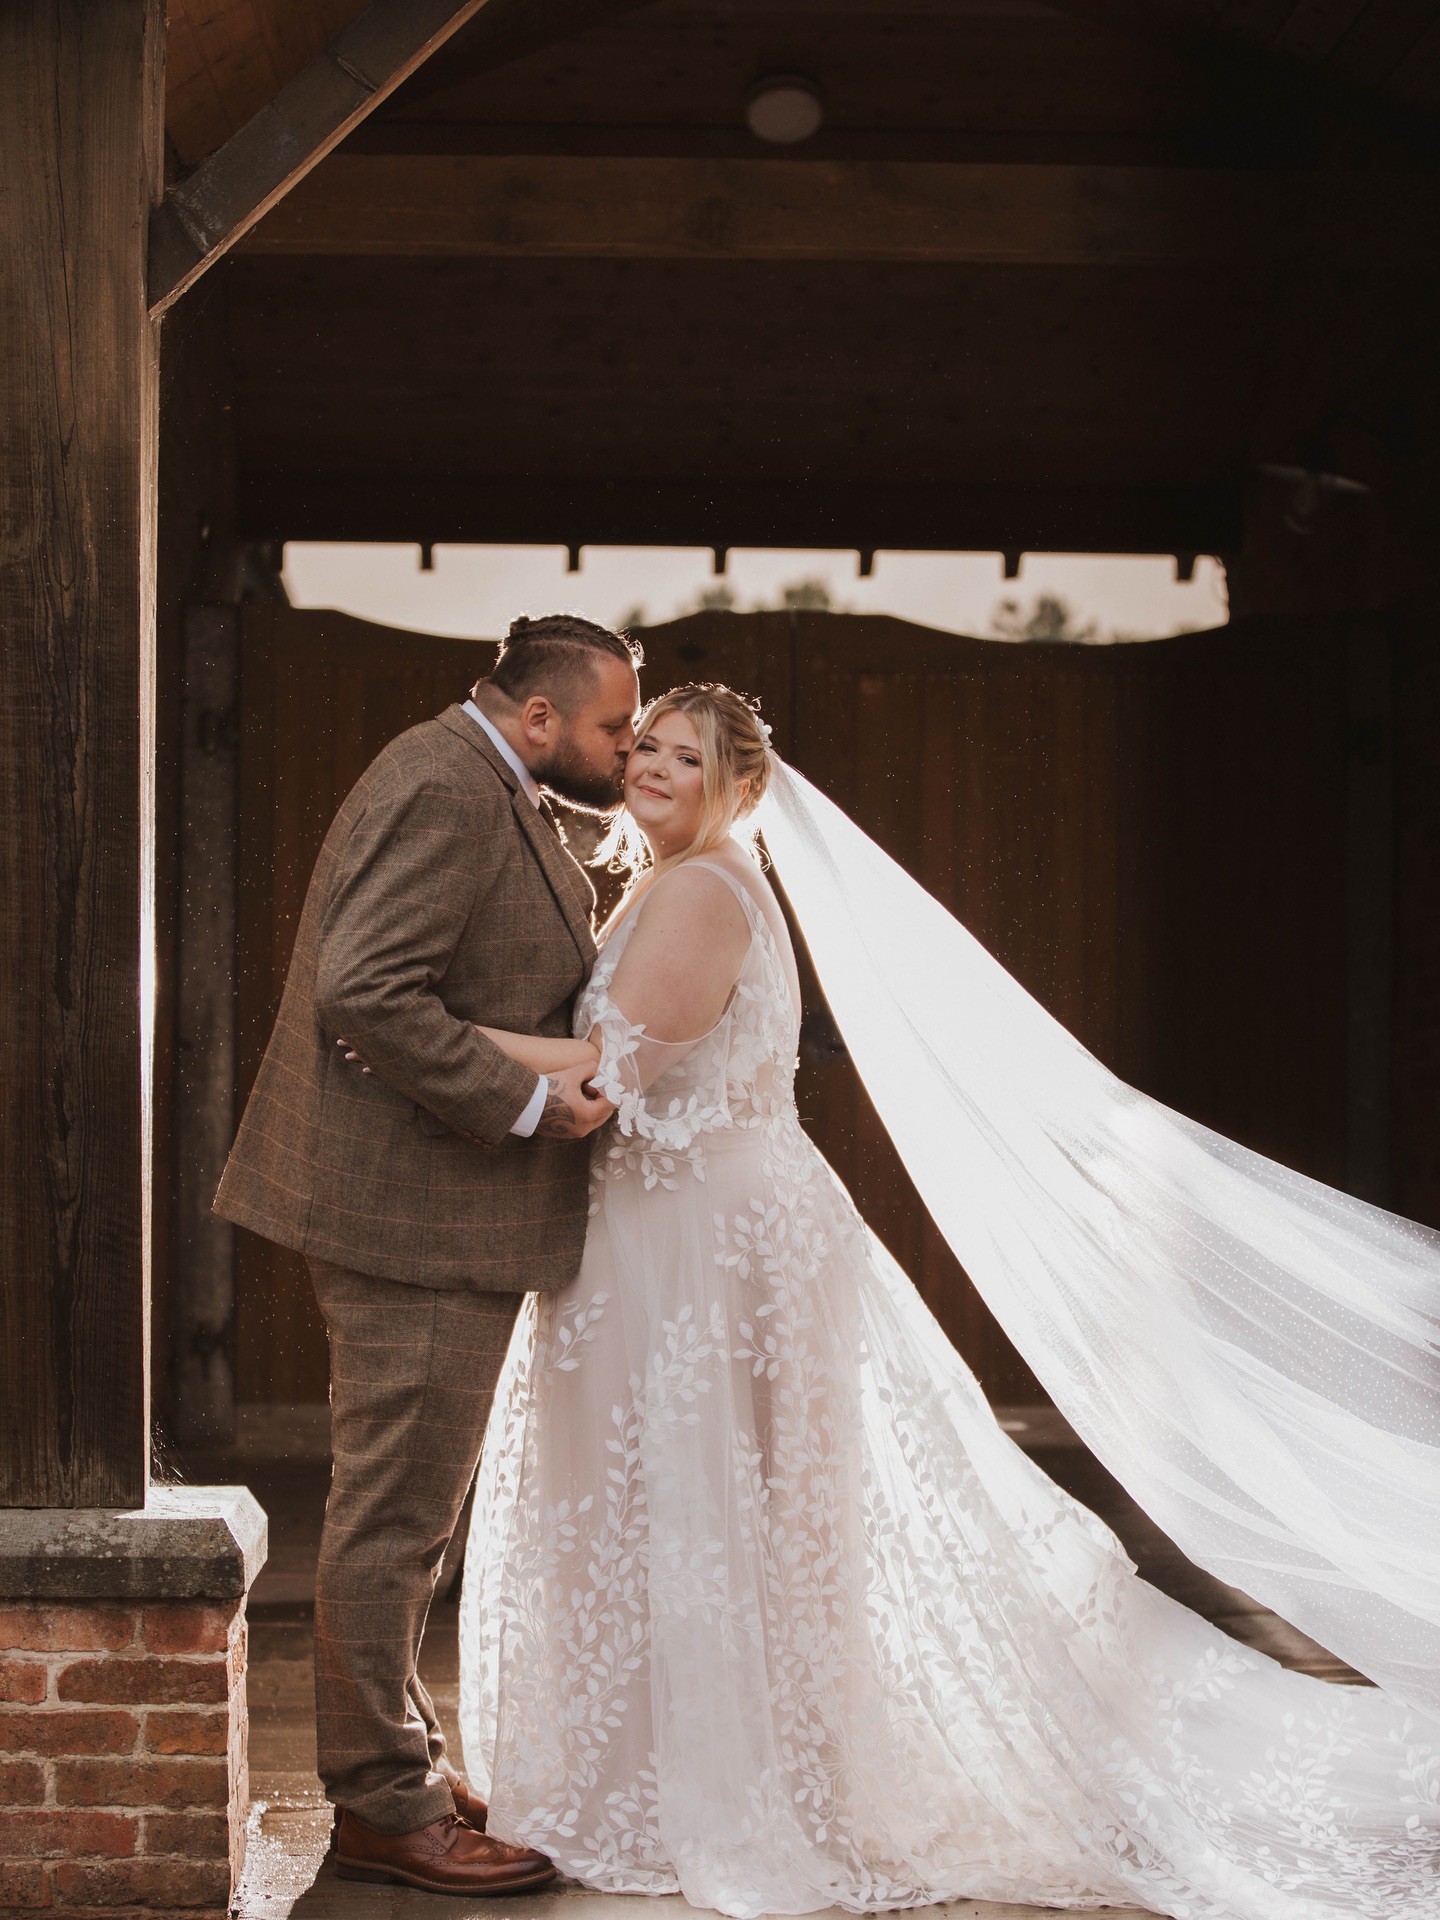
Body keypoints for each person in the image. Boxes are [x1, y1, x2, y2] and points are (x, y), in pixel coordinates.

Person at [443, 683, 1437, 1920]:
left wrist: (427, 1032)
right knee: (702, 1514)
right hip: (675, 1231)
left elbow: (614, 1074)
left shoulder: (703, 889)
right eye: (644, 744)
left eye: (682, 756)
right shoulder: (677, 878)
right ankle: (646, 1776)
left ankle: (714, 1792)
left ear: (737, 785)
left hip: (703, 1247)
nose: (649, 765)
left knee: (710, 1512)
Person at [213, 613, 640, 1897]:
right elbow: (367, 989)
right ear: (539, 720)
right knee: (393, 1516)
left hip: (428, 1213)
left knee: (407, 1513)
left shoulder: (477, 779)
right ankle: (385, 1809)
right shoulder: (445, 786)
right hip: (412, 1217)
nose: (626, 749)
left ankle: (396, 1760)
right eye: (616, 727)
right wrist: (527, 1103)